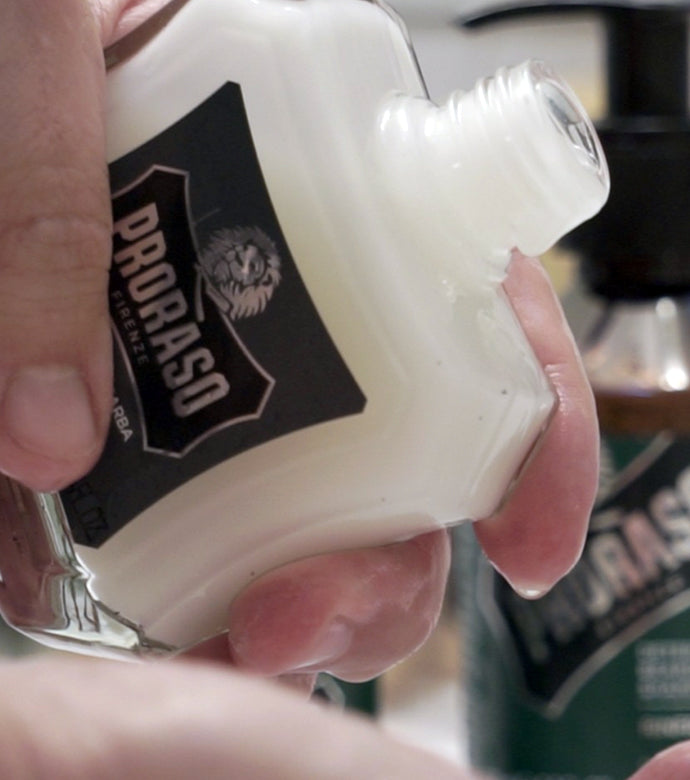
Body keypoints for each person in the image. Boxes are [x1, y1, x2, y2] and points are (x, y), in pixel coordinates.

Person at [0, 1, 673, 777]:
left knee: (295, 623)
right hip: (75, 575)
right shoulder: (305, 30)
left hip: (67, 586)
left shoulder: (486, 403)